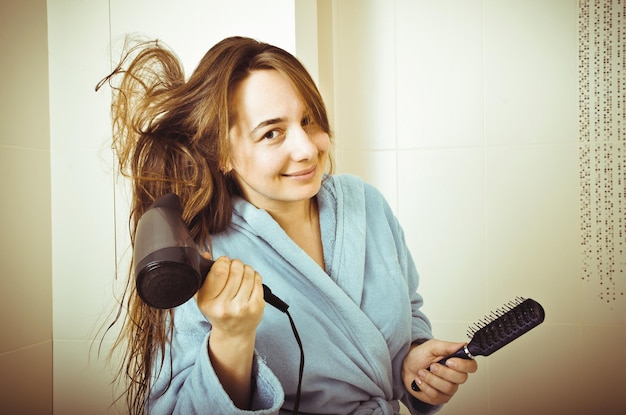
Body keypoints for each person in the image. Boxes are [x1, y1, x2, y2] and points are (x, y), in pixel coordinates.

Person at [99, 35, 477, 415]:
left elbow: (406, 313)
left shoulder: (367, 206)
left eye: (308, 120)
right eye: (272, 133)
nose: (308, 149)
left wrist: (412, 360)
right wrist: (232, 339)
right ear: (222, 153)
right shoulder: (201, 254)